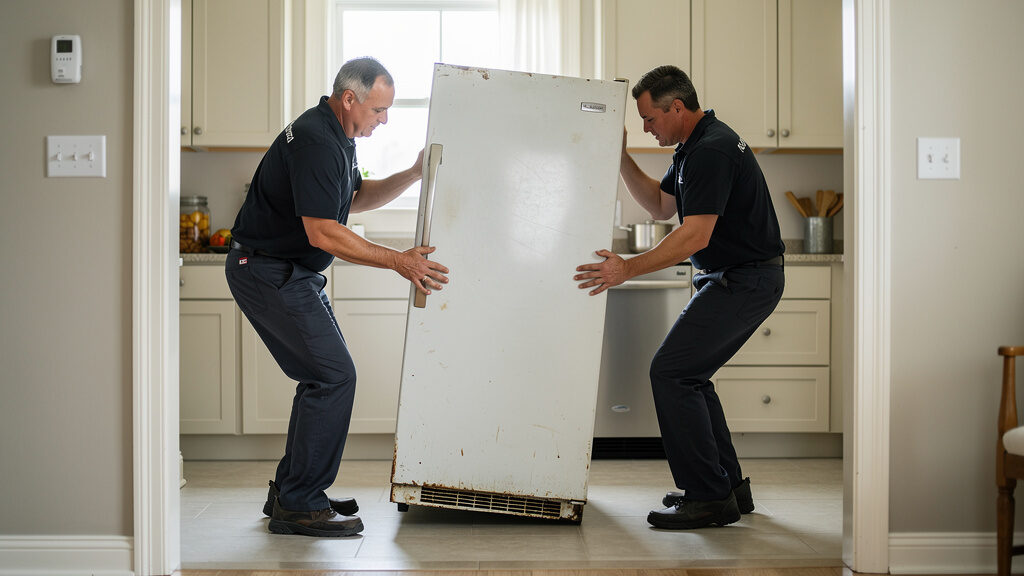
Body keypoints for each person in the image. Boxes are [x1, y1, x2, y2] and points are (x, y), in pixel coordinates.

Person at [225, 57, 449, 537]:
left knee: (321, 377)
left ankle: (292, 492)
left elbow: (353, 198)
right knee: (332, 376)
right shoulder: (317, 142)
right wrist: (399, 260)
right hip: (266, 270)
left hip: (288, 272)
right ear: (350, 98)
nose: (383, 119)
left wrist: (412, 174)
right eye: (379, 110)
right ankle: (301, 503)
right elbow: (324, 231)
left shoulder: (335, 135)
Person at [574, 65, 785, 530]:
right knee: (690, 375)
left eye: (650, 119)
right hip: (733, 278)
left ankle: (708, 496)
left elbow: (693, 236)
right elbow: (661, 205)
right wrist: (620, 156)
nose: (647, 128)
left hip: (744, 280)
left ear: (676, 107)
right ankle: (727, 488)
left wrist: (626, 267)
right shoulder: (695, 146)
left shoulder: (711, 150)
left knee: (671, 372)